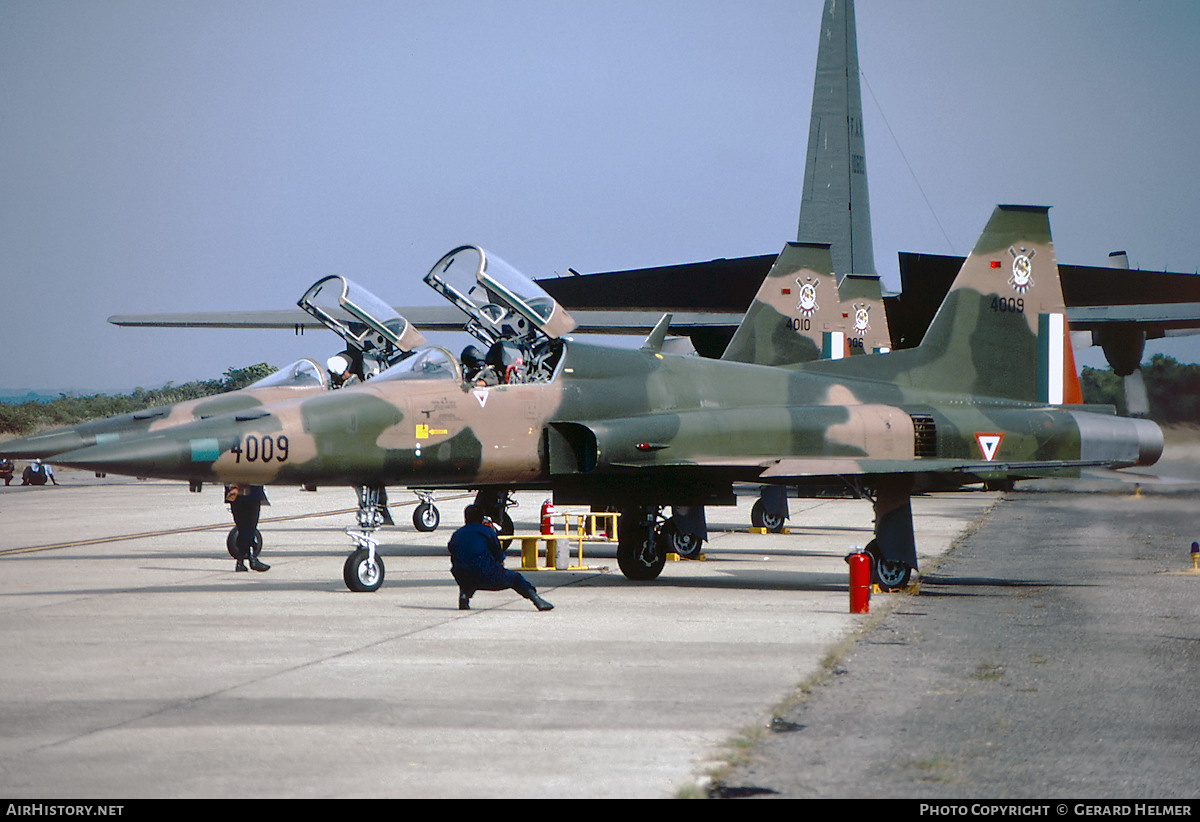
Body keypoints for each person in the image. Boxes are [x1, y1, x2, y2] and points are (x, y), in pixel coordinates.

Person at [448, 504, 553, 611]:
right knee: (516, 578)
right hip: (485, 574)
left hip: (461, 576)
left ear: (465, 519)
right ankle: (537, 600)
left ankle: (464, 595)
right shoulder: (487, 531)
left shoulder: (456, 534)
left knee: (466, 568)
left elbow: (453, 553)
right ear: (482, 519)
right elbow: (498, 555)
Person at [226, 484, 270, 572]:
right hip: (251, 494)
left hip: (234, 493)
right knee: (249, 527)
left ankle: (241, 562)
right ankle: (252, 559)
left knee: (242, 527)